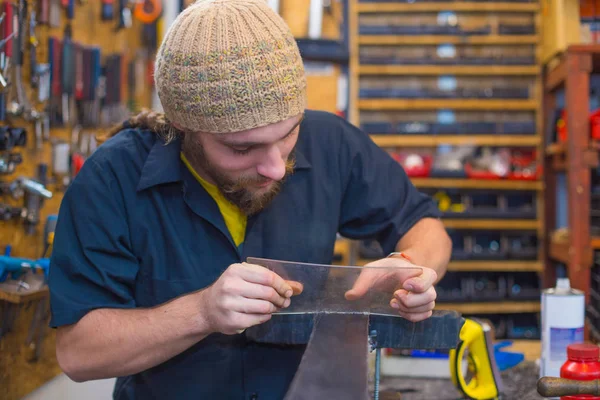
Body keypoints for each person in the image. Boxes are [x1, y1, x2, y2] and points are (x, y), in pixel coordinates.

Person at [47, 0, 452, 399]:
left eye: (289, 134)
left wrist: (411, 271)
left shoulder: (331, 143)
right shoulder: (112, 177)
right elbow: (79, 353)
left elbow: (425, 227)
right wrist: (202, 312)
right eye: (243, 149)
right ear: (183, 127)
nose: (276, 168)